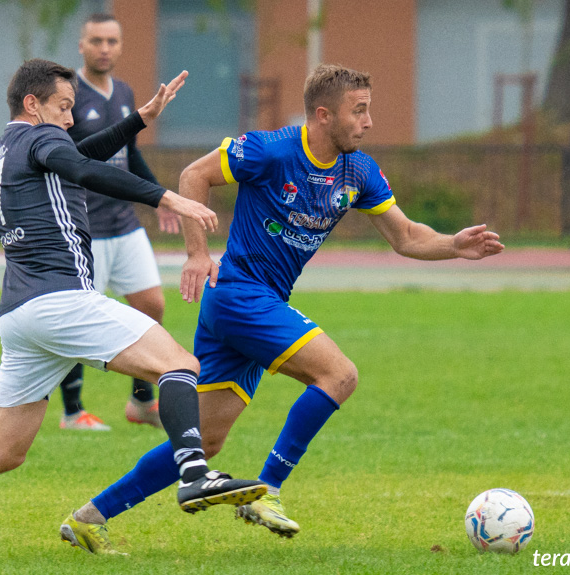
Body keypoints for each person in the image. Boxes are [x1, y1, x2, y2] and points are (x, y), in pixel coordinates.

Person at [0, 58, 265, 559]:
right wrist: (168, 199)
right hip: (60, 300)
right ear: (32, 104)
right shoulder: (39, 142)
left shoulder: (7, 147)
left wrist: (139, 119)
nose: (70, 118)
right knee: (178, 365)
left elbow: (78, 156)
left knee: (3, 452)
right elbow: (81, 165)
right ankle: (195, 474)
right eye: (64, 107)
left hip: (21, 315)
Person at [67, 63, 504, 541]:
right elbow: (194, 175)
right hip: (239, 295)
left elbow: (405, 236)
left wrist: (454, 246)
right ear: (322, 115)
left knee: (205, 439)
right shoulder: (270, 150)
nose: (369, 122)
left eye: (368, 110)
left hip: (254, 303)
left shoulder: (357, 169)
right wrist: (196, 254)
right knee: (339, 375)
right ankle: (269, 490)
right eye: (358, 111)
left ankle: (90, 518)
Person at [57, 13, 177, 432]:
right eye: (96, 41)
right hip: (84, 225)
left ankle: (142, 402)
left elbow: (131, 153)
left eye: (112, 40)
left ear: (121, 45)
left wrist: (158, 196)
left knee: (151, 306)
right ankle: (73, 412)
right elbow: (65, 159)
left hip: (125, 222)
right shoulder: (66, 94)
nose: (104, 48)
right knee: (77, 319)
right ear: (81, 45)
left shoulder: (125, 92)